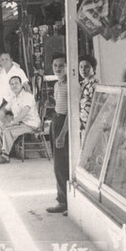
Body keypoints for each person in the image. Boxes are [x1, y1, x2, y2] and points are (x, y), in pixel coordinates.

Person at [0, 76, 40, 165]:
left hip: (30, 124)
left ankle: (5, 156)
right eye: (12, 84)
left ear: (21, 84)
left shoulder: (27, 96)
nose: (14, 85)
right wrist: (0, 116)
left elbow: (24, 112)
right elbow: (5, 109)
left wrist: (12, 123)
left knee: (7, 130)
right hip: (21, 123)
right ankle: (8, 148)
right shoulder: (14, 98)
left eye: (16, 83)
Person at [47, 54, 70, 213]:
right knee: (57, 163)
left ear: (67, 66)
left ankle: (64, 202)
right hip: (56, 120)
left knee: (61, 165)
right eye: (55, 65)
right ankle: (62, 198)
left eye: (61, 65)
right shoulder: (57, 84)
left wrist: (62, 134)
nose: (58, 68)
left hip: (64, 124)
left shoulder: (70, 85)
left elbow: (70, 112)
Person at [0, 51, 30, 123]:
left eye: (6, 59)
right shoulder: (1, 71)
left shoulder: (18, 70)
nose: (4, 61)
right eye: (2, 60)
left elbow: (26, 85)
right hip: (1, 100)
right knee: (1, 121)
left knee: (1, 118)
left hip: (13, 100)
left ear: (11, 60)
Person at [78, 54, 99, 135]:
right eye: (81, 67)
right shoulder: (82, 83)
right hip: (83, 124)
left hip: (92, 124)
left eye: (86, 67)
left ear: (93, 68)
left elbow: (97, 106)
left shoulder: (94, 84)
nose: (83, 69)